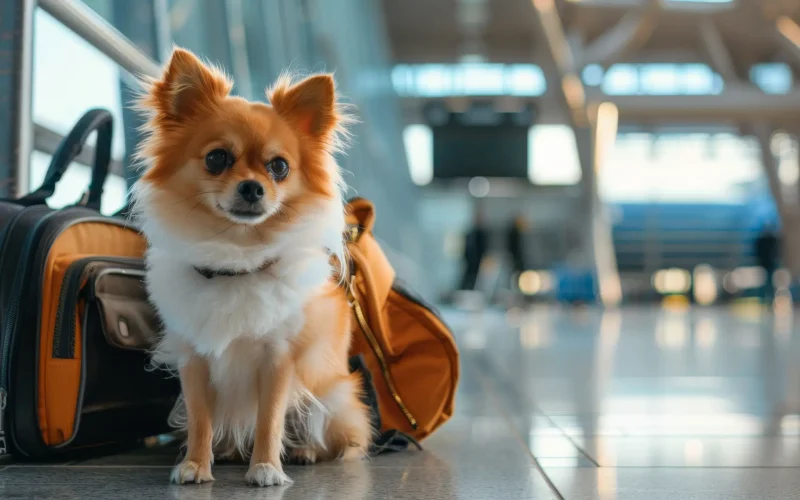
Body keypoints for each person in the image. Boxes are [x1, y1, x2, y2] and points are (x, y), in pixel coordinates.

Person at [459, 207, 488, 291]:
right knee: (467, 280)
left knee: (477, 281)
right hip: (470, 262)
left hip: (478, 263)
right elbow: (466, 249)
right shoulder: (470, 233)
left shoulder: (483, 234)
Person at [754, 224, 780, 303]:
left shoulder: (770, 240)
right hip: (766, 263)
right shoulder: (765, 240)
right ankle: (764, 298)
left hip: (768, 263)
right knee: (765, 281)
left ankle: (768, 297)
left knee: (769, 281)